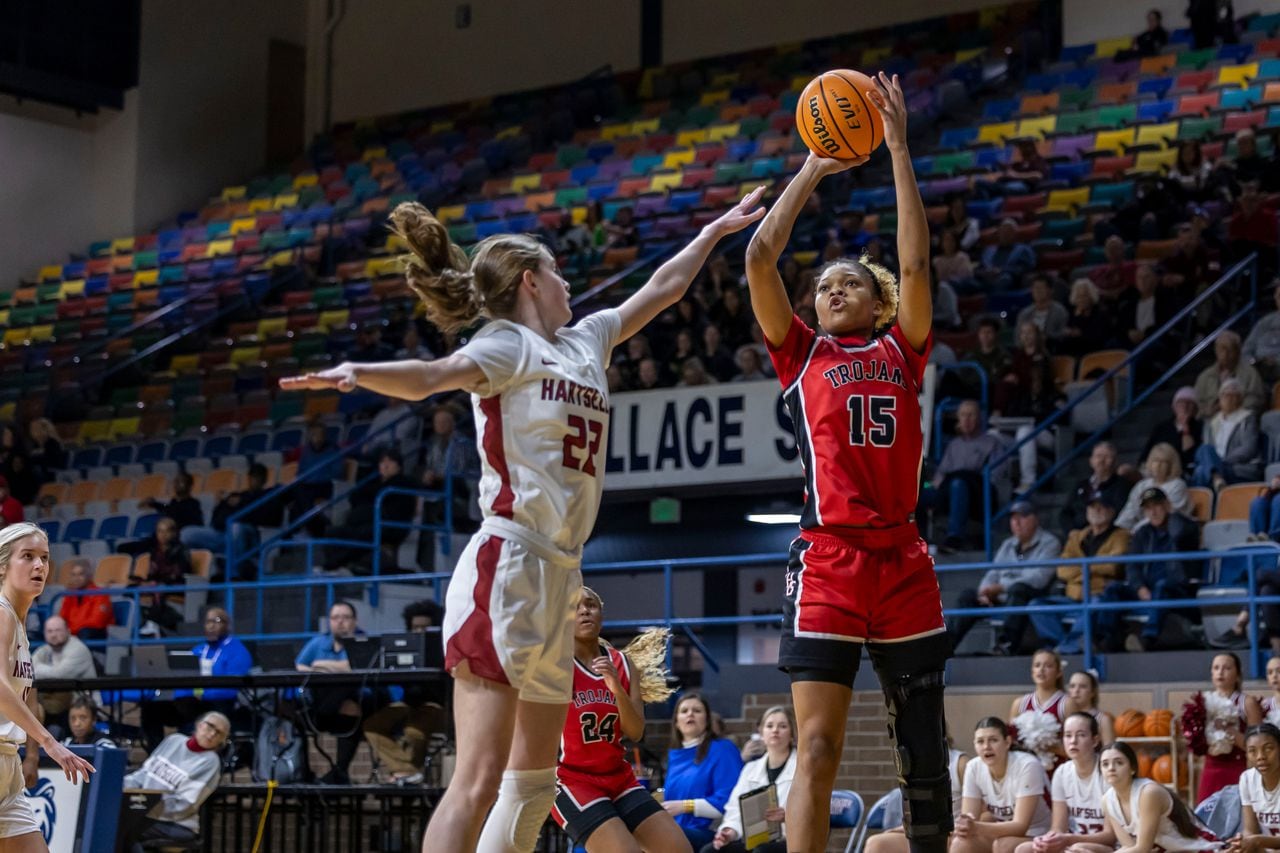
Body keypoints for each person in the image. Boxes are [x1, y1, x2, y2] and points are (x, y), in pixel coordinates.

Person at [281, 187, 765, 852]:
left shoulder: (586, 337)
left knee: (534, 784)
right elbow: (431, 375)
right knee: (477, 779)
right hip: (506, 566)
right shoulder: (506, 344)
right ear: (532, 281)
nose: (570, 283)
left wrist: (713, 232)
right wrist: (354, 373)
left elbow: (661, 289)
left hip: (562, 574)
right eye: (559, 272)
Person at [743, 73, 954, 853]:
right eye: (825, 284)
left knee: (925, 756)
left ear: (878, 301)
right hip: (829, 559)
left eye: (850, 283)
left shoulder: (904, 348)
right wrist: (814, 165)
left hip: (902, 557)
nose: (833, 289)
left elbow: (919, 262)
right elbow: (762, 259)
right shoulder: (802, 354)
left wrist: (897, 148)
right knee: (819, 749)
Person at [551, 588, 686, 852]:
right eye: (574, 607)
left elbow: (635, 731)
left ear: (601, 613)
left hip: (618, 777)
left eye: (590, 605)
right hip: (573, 780)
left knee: (678, 848)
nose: (584, 611)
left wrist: (616, 687)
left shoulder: (623, 664)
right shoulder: (556, 665)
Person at [0, 523, 95, 851]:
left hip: (7, 764)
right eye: (27, 556)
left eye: (44, 557)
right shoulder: (1, 614)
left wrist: (31, 754)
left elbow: (26, 693)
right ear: (3, 566)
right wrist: (49, 742)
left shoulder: (20, 623)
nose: (39, 565)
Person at [950, 501, 1062, 655]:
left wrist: (1001, 587)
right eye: (1013, 518)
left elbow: (1039, 577)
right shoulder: (1008, 544)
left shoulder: (1050, 543)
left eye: (1022, 517)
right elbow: (994, 572)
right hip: (1000, 596)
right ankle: (945, 647)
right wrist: (984, 591)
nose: (1016, 522)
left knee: (1019, 589)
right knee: (968, 596)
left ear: (1035, 519)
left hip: (1030, 596)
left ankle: (1005, 646)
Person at [1098, 488, 1202, 652]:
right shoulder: (1142, 533)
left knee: (1162, 585)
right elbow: (1132, 566)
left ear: (1167, 505)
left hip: (1178, 590)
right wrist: (1139, 587)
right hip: (1147, 589)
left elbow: (1180, 533)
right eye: (1147, 508)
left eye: (1157, 506)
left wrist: (1173, 514)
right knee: (1113, 589)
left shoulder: (1184, 526)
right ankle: (1107, 638)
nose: (1153, 512)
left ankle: (1148, 638)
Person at [1032, 493, 1131, 654]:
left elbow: (1113, 566)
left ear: (1112, 512)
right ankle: (1066, 644)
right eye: (1092, 506)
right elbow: (1062, 570)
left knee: (1096, 604)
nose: (1096, 510)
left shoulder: (1122, 535)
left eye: (1102, 507)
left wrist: (1082, 567)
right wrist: (1094, 568)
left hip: (1098, 596)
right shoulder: (1077, 536)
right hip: (1073, 598)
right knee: (1036, 605)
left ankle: (1069, 645)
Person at [363, 600, 449, 783]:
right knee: (372, 726)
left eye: (425, 628)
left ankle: (406, 774)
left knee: (413, 732)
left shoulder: (444, 649)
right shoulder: (403, 648)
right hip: (407, 704)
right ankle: (408, 771)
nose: (419, 632)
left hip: (436, 705)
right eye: (415, 628)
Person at [141, 606, 252, 749]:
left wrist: (202, 694)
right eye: (208, 622)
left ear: (227, 625)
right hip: (192, 701)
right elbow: (186, 677)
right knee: (152, 708)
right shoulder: (199, 649)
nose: (211, 626)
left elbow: (233, 688)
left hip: (220, 703)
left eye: (216, 621)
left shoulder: (238, 651)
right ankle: (155, 753)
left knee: (192, 709)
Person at [120, 712, 228, 853]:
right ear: (199, 725)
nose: (212, 734)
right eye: (210, 727)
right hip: (144, 812)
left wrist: (144, 805)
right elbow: (142, 775)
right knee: (114, 822)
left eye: (219, 733)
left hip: (177, 823)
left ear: (221, 742)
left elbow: (185, 805)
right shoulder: (173, 740)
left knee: (123, 829)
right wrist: (118, 787)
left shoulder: (210, 762)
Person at [294, 601, 376, 785]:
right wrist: (336, 668)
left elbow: (354, 668)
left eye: (346, 617)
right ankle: (310, 775)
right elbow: (300, 666)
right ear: (329, 621)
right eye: (335, 617)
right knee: (292, 712)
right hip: (325, 705)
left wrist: (319, 665)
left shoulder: (363, 641)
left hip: (358, 701)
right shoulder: (318, 642)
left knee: (348, 699)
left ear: (355, 621)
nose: (340, 622)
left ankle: (338, 773)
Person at [1013, 713, 1114, 853]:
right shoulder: (1061, 773)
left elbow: (1110, 836)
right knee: (1024, 849)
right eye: (1068, 735)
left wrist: (1069, 839)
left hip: (1105, 847)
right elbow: (1058, 828)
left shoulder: (1108, 772)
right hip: (1071, 843)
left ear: (1095, 741)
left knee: (1079, 849)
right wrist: (1047, 840)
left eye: (1081, 735)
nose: (1073, 741)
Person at [951, 718, 1052, 853]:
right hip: (1004, 832)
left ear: (1007, 742)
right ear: (974, 745)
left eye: (993, 740)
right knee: (961, 842)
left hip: (1039, 833)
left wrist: (976, 827)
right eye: (980, 741)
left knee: (1003, 846)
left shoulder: (1027, 765)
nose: (986, 746)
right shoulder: (973, 767)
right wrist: (964, 826)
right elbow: (969, 817)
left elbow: (1020, 826)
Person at [706, 706, 796, 853]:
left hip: (790, 841)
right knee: (711, 851)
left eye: (783, 726)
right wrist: (729, 832)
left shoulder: (802, 768)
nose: (775, 730)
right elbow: (734, 809)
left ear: (792, 734)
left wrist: (788, 817)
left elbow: (814, 813)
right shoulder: (750, 769)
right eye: (769, 726)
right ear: (761, 733)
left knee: (761, 851)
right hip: (754, 839)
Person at [920, 400, 1006, 552]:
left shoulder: (992, 443)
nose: (966, 420)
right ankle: (918, 541)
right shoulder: (954, 445)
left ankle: (954, 539)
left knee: (958, 484)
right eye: (963, 415)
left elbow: (995, 477)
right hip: (950, 489)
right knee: (915, 494)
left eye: (971, 415)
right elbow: (940, 476)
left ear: (979, 418)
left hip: (979, 494)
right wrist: (929, 486)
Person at [1098, 741, 1216, 852]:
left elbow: (1142, 849)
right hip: (1165, 850)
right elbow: (1128, 846)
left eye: (1119, 763)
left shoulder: (1148, 793)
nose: (1111, 768)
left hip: (1200, 848)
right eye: (1105, 764)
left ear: (1133, 769)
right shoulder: (1107, 801)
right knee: (1080, 848)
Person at [663, 693, 744, 850]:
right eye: (684, 711)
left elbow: (729, 801)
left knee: (661, 834)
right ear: (676, 723)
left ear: (707, 720)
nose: (690, 714)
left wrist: (685, 806)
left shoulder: (722, 749)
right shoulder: (675, 754)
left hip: (713, 832)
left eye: (697, 710)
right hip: (677, 829)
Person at [180, 463, 282, 581]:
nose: (254, 480)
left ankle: (234, 575)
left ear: (264, 479)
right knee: (186, 533)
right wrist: (219, 504)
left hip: (248, 536)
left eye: (258, 477)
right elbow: (217, 519)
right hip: (223, 533)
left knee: (236, 527)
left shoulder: (268, 495)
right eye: (252, 476)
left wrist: (241, 503)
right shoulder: (237, 495)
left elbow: (270, 518)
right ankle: (190, 575)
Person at [1198, 653, 1262, 804]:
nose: (1220, 672)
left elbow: (1257, 746)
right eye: (1216, 668)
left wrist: (1229, 730)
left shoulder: (1247, 703)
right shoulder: (1201, 703)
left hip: (1237, 770)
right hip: (1210, 769)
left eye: (1227, 668)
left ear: (1238, 675)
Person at [31, 616, 96, 734]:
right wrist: (49, 670)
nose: (53, 635)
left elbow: (60, 674)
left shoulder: (78, 649)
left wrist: (39, 668)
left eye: (58, 630)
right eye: (49, 631)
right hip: (51, 704)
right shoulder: (44, 650)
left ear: (68, 631)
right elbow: (28, 670)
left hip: (80, 702)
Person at [1193, 378, 1262, 489]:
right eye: (1225, 394)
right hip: (1218, 465)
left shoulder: (1248, 418)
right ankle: (1217, 478)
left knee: (1201, 472)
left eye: (1233, 395)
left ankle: (1215, 480)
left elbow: (1249, 449)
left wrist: (1220, 461)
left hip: (1238, 467)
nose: (1228, 398)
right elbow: (1208, 450)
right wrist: (1215, 462)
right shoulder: (1213, 422)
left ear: (1240, 398)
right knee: (1204, 449)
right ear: (1219, 398)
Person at [1060, 442, 1130, 537]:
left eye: (1107, 456)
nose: (1101, 460)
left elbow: (1119, 513)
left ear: (1115, 461)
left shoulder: (1122, 485)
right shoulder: (1081, 485)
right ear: (1091, 461)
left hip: (1106, 536)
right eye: (1098, 456)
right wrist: (1071, 531)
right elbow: (1065, 513)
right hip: (1077, 536)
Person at [1116, 444, 1190, 530]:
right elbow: (1129, 513)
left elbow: (1161, 516)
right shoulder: (1141, 485)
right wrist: (1116, 530)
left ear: (1171, 465)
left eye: (1163, 462)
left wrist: (1135, 531)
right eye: (1155, 461)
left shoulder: (1177, 486)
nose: (1158, 466)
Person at [1194, 331, 1266, 416]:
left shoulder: (1250, 373)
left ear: (1238, 351)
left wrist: (1233, 406)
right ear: (1216, 351)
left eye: (1230, 350)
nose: (1225, 354)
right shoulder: (1205, 376)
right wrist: (1212, 410)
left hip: (1240, 417)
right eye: (1221, 349)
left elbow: (1257, 399)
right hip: (1212, 418)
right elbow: (1197, 403)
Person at [1233, 723, 1280, 847]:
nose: (1261, 757)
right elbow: (1250, 829)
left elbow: (1256, 839)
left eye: (1268, 748)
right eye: (1252, 751)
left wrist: (1257, 841)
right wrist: (1243, 841)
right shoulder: (1247, 779)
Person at [1143, 388, 1203, 475]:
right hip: (1155, 470)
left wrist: (1186, 429)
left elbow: (1190, 454)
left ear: (1195, 409)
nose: (1185, 406)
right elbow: (1146, 455)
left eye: (1189, 403)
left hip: (1182, 472)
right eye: (1181, 403)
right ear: (1174, 407)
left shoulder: (1200, 427)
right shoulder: (1161, 428)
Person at [980, 219, 1037, 292]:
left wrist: (1001, 270)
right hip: (986, 278)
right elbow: (980, 267)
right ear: (998, 233)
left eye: (1008, 232)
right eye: (1002, 231)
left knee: (1005, 279)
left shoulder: (1023, 249)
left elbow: (1024, 269)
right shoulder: (989, 250)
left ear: (1015, 233)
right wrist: (983, 272)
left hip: (1009, 279)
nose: (1005, 234)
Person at [1062, 279, 1112, 359]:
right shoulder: (1070, 314)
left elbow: (1098, 339)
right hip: (1073, 354)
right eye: (1079, 296)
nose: (1082, 299)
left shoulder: (1101, 313)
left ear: (1091, 296)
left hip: (1095, 354)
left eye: (1085, 295)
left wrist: (1080, 334)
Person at [1016, 276, 1069, 348]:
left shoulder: (1060, 311)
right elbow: (1018, 339)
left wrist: (1046, 338)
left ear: (1051, 290)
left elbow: (1064, 335)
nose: (1037, 291)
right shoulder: (1025, 313)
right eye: (1035, 288)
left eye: (1041, 288)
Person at [139, 472, 203, 532]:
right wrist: (154, 503)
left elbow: (173, 510)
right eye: (176, 481)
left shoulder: (193, 503)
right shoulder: (174, 501)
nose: (176, 484)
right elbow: (167, 507)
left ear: (190, 486)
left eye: (181, 481)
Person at [1065, 671, 1116, 745]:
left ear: (1092, 692)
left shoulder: (1103, 720)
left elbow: (1110, 751)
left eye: (1082, 686)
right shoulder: (1065, 717)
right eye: (1072, 686)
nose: (1076, 691)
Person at [1244, 283, 1280, 383]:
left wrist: (1276, 361)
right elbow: (1246, 350)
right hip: (1258, 368)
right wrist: (1252, 361)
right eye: (1279, 296)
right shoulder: (1264, 322)